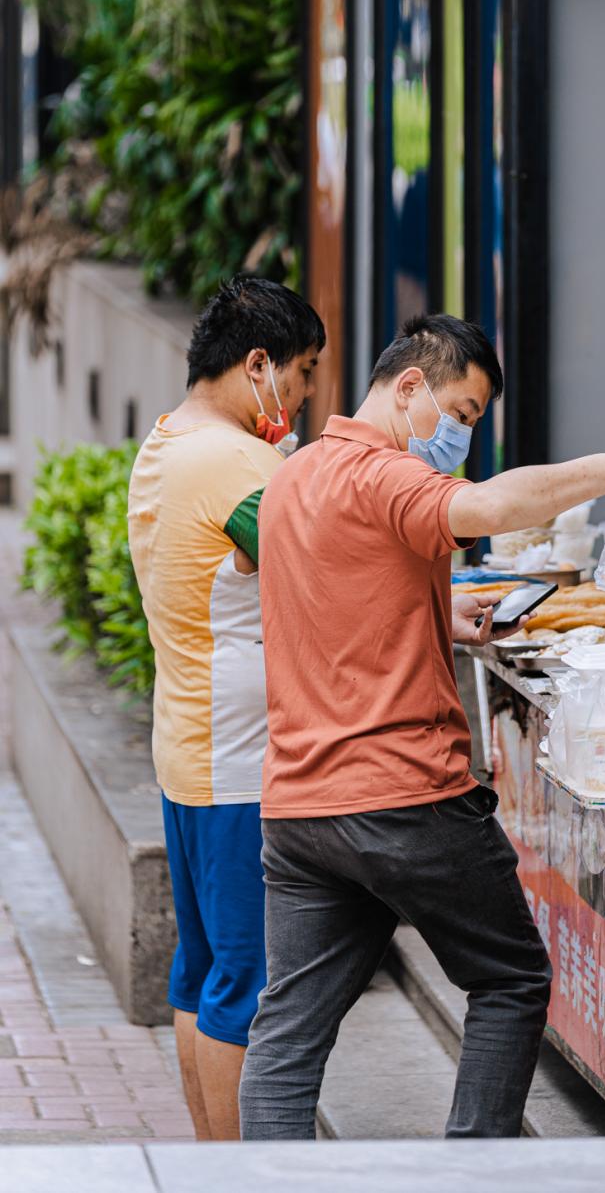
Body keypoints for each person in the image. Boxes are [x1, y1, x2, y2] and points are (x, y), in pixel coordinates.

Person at [239, 313, 605, 1140]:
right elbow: (482, 507)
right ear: (409, 386)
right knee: (513, 977)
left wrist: (442, 616)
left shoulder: (293, 479)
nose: (462, 433)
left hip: (300, 808)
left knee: (288, 1035)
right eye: (464, 412)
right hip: (405, 796)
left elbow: (332, 602)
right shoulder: (389, 478)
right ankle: (473, 1172)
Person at [127, 279, 506, 1141]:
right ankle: (242, 1174)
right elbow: (329, 563)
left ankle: (213, 1163)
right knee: (242, 984)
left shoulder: (170, 439)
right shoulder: (236, 462)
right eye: (300, 373)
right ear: (256, 365)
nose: (303, 393)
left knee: (200, 976)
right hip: (240, 756)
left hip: (185, 742)